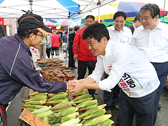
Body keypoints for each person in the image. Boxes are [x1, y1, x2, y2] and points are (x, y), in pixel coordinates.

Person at [68, 23, 159, 126]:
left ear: (103, 40)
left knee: (144, 122)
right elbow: (96, 75)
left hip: (145, 90)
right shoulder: (101, 54)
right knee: (122, 122)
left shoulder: (122, 50)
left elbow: (110, 83)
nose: (89, 47)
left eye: (91, 43)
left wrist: (83, 85)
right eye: (87, 44)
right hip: (127, 91)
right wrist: (78, 82)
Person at [0, 13, 71, 126]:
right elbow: (38, 83)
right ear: (31, 35)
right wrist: (65, 86)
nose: (43, 39)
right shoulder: (18, 54)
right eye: (41, 35)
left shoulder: (9, 41)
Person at [131, 3, 168, 125]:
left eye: (146, 18)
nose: (143, 21)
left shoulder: (166, 30)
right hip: (140, 69)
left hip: (159, 68)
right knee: (139, 97)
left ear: (156, 16)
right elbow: (132, 50)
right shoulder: (138, 31)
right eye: (141, 17)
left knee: (153, 100)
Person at [104, 11, 133, 114]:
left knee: (118, 85)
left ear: (125, 21)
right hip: (109, 62)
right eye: (117, 21)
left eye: (122, 21)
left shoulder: (128, 32)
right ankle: (108, 107)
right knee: (108, 85)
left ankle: (115, 102)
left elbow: (130, 46)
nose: (119, 24)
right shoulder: (108, 31)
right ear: (114, 21)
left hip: (121, 63)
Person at [73, 15, 97, 99]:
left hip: (93, 58)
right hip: (82, 57)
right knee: (81, 75)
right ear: (85, 22)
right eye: (87, 21)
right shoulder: (80, 32)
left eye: (91, 21)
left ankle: (92, 93)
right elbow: (75, 43)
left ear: (94, 22)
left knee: (92, 76)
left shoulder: (96, 32)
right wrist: (75, 53)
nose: (89, 23)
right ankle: (79, 90)